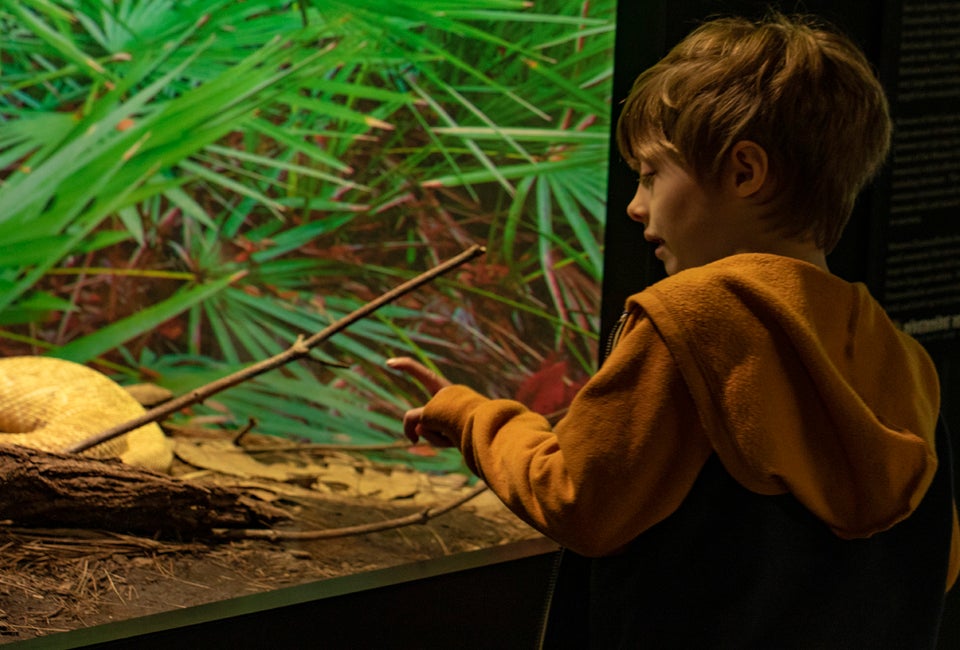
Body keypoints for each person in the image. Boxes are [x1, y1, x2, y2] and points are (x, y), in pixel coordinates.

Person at [388, 12, 959, 648]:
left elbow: (577, 498)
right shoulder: (902, 358)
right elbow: (936, 564)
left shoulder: (689, 319)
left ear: (744, 171)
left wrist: (471, 417)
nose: (636, 205)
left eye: (652, 173)